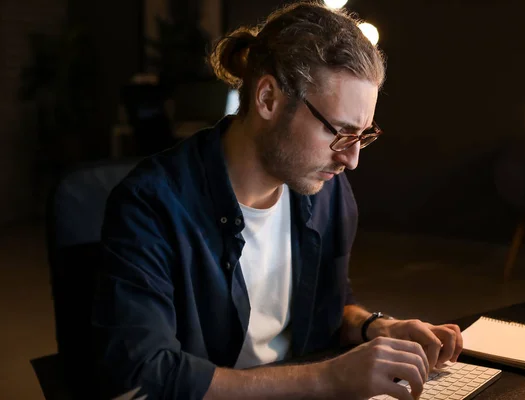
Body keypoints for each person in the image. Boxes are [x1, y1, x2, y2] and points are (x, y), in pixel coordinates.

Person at [92, 2, 463, 399]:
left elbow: (327, 307)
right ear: (268, 98)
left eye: (363, 136)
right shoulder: (150, 205)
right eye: (340, 131)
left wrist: (375, 326)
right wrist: (329, 378)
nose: (351, 159)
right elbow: (144, 376)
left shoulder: (327, 193)